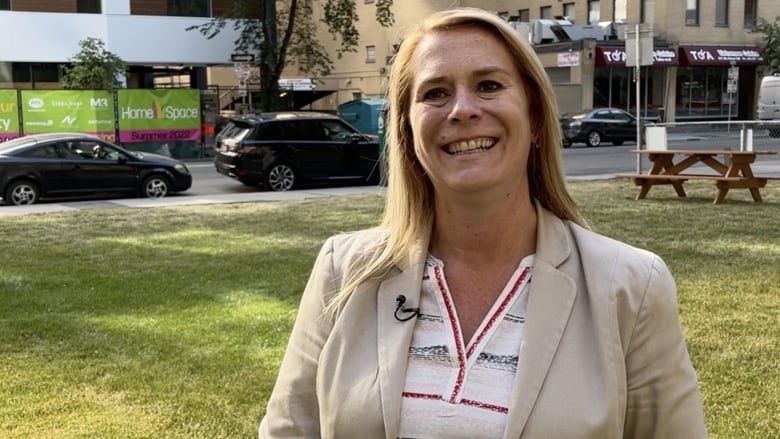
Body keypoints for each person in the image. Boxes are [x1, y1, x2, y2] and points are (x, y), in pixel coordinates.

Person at [259, 7, 707, 438]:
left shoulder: (631, 287)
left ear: (534, 118)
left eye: (489, 85)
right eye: (435, 93)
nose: (461, 109)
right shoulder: (344, 272)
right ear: (407, 133)